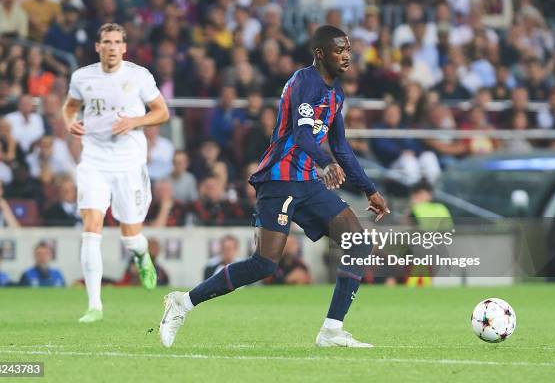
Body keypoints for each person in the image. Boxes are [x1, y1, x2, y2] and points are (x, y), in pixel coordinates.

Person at [160, 25, 390, 348]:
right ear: (320, 53)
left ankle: (332, 330)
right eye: (340, 50)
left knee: (357, 242)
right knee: (264, 264)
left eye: (349, 49)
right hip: (280, 180)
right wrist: (325, 163)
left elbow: (341, 146)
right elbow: (303, 135)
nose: (347, 56)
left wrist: (369, 188)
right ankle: (182, 303)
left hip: (307, 182)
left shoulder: (336, 94)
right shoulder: (303, 82)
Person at [62, 23, 169, 323]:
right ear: (97, 46)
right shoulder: (82, 77)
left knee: (130, 235)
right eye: (106, 41)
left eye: (117, 42)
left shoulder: (138, 76)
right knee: (91, 226)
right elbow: (69, 107)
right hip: (94, 160)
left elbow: (162, 112)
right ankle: (94, 305)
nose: (111, 47)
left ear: (124, 47)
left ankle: (141, 255)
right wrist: (69, 121)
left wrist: (135, 122)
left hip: (129, 163)